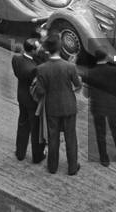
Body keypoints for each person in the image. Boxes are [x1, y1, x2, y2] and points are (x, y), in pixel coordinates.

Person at [34, 35, 82, 175]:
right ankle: (72, 167)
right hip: (69, 106)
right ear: (60, 49)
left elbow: (40, 91)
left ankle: (52, 167)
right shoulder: (70, 66)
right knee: (71, 138)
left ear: (48, 50)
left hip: (52, 107)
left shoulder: (42, 68)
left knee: (53, 137)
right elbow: (78, 85)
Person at [88, 48, 116, 166]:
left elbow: (89, 92)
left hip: (98, 106)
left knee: (100, 132)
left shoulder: (91, 72)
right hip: (112, 104)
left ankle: (104, 158)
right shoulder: (115, 71)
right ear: (106, 57)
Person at [12, 40, 46, 163]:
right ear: (32, 50)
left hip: (21, 97)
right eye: (37, 48)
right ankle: (37, 156)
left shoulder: (16, 59)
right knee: (36, 129)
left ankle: (20, 152)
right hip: (32, 101)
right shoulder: (33, 68)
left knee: (22, 124)